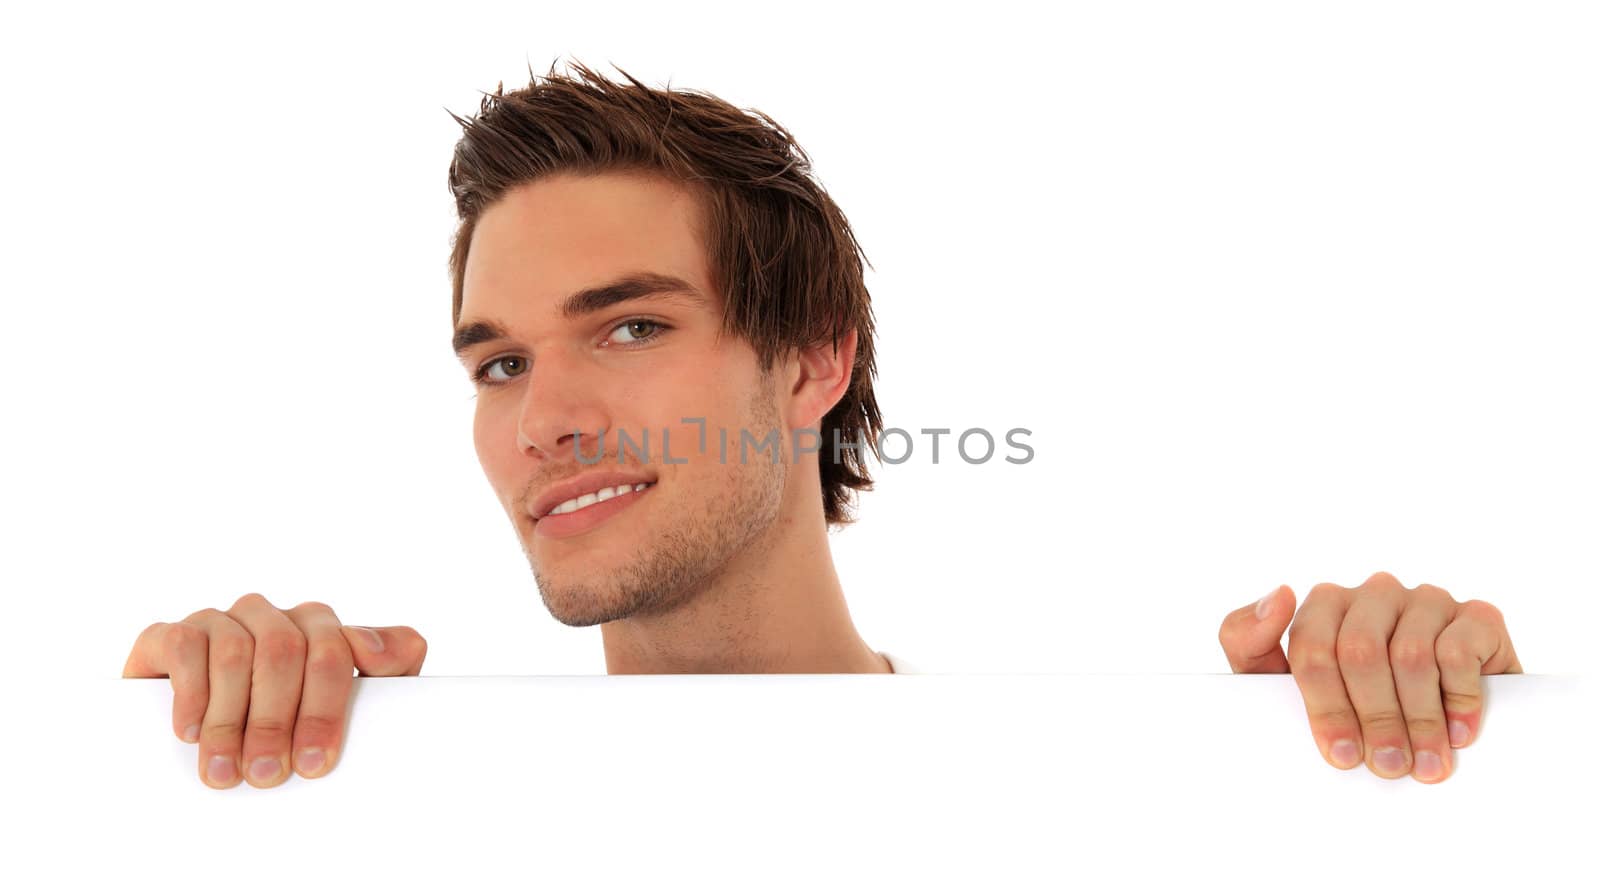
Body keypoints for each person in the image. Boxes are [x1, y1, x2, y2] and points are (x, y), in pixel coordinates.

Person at [121, 61, 1522, 790]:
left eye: (629, 326)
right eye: (497, 364)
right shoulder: (390, 799)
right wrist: (168, 762)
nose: (545, 417)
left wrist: (1455, 747)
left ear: (812, 360)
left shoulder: (1080, 802)